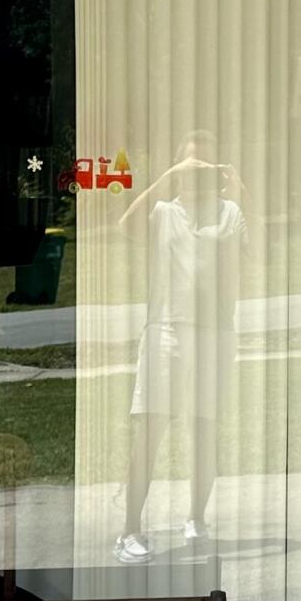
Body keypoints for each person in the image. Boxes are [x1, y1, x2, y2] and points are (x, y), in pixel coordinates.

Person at [116, 133, 244, 561]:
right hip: (166, 330)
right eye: (190, 167)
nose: (197, 177)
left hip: (215, 332)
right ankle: (129, 529)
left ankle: (196, 518)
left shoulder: (230, 213)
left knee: (205, 429)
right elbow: (124, 226)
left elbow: (260, 252)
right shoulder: (163, 211)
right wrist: (168, 177)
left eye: (204, 168)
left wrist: (238, 188)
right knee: (150, 430)